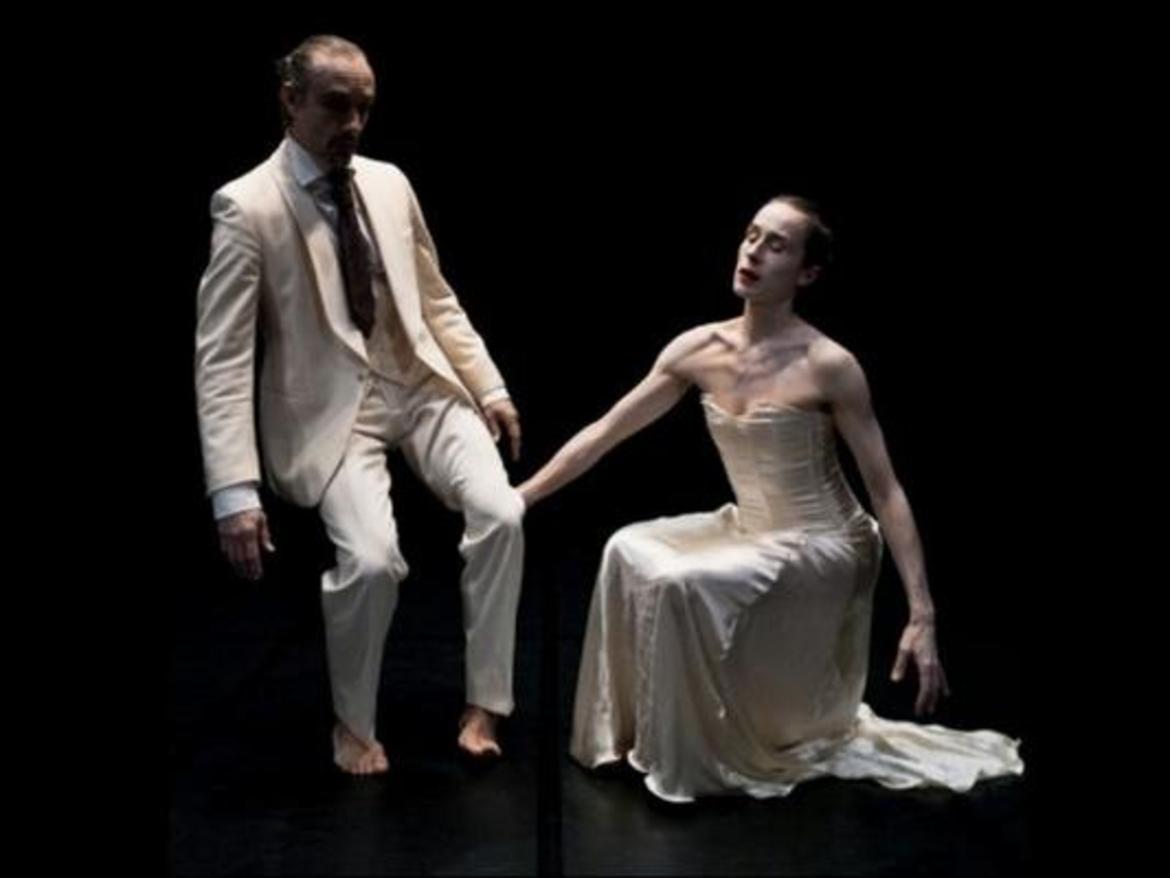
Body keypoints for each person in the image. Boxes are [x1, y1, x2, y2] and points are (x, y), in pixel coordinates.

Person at [518, 196, 1023, 802]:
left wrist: (923, 613)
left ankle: (690, 759)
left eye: (776, 245)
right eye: (752, 236)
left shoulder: (830, 365)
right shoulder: (698, 348)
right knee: (625, 548)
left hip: (827, 543)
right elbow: (604, 433)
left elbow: (885, 489)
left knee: (680, 582)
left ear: (807, 273)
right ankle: (633, 736)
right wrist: (522, 498)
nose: (754, 252)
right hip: (753, 528)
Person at [195, 35, 524, 775]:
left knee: (503, 514)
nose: (352, 124)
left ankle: (487, 700)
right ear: (290, 101)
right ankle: (354, 722)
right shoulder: (247, 207)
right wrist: (233, 490)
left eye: (364, 109)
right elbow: (222, 357)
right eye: (336, 106)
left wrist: (488, 385)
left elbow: (435, 297)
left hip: (420, 384)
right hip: (332, 414)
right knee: (373, 563)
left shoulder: (388, 182)